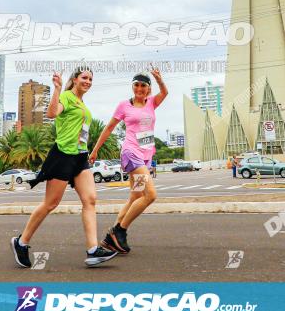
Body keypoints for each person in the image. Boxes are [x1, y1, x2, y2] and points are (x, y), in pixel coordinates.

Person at [11, 68, 117, 268]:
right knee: (51, 204)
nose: (88, 81)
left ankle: (93, 250)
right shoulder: (67, 97)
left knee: (90, 199)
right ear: (75, 80)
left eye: (91, 79)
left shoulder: (83, 104)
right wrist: (57, 89)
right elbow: (51, 113)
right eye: (84, 78)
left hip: (80, 156)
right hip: (63, 155)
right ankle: (21, 242)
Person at [91, 69, 168, 254]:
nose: (140, 88)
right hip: (131, 152)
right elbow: (109, 127)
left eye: (143, 85)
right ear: (132, 87)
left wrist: (159, 79)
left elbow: (165, 93)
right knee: (150, 195)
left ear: (148, 89)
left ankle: (112, 236)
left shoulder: (151, 103)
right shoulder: (124, 105)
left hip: (145, 155)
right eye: (137, 85)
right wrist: (95, 150)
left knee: (135, 197)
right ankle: (119, 231)